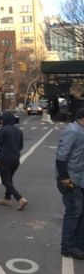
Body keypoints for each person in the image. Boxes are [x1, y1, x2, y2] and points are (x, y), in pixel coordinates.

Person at [0, 111, 27, 210]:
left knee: (5, 181)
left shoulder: (3, 131)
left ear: (5, 120)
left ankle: (20, 199)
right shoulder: (19, 131)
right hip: (16, 159)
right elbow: (21, 146)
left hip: (5, 159)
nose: (1, 121)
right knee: (9, 179)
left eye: (2, 119)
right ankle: (7, 199)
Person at [56, 107, 84, 259]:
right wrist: (64, 177)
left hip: (80, 178)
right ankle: (68, 247)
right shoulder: (73, 131)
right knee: (74, 211)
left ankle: (79, 244)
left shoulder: (80, 131)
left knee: (80, 212)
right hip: (71, 179)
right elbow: (62, 155)